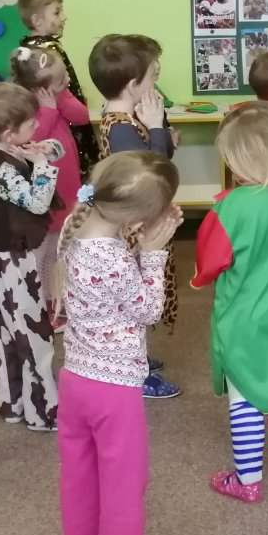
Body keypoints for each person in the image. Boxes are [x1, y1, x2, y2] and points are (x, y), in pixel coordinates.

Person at [59, 151, 185, 535]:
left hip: (75, 378)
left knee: (79, 475)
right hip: (114, 387)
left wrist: (136, 238)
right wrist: (153, 254)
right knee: (123, 485)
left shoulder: (76, 226)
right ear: (137, 217)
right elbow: (147, 310)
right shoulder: (112, 257)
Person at [192, 102, 268, 503]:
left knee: (243, 394)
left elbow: (210, 262)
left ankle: (248, 479)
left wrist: (201, 276)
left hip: (242, 313)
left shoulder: (231, 205)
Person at [89, 33, 182, 399]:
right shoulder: (122, 126)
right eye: (153, 76)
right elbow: (152, 172)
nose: (156, 83)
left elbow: (156, 158)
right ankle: (134, 369)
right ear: (133, 85)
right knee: (134, 302)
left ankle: (137, 358)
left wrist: (161, 134)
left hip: (138, 221)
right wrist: (156, 128)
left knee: (136, 299)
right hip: (134, 231)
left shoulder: (125, 118)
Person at [0, 81, 62, 431]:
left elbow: (55, 149)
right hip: (10, 262)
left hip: (0, 258)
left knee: (7, 333)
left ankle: (12, 404)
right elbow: (37, 201)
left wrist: (42, 151)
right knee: (33, 335)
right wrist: (42, 165)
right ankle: (43, 413)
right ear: (9, 133)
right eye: (31, 123)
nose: (37, 126)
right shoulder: (1, 169)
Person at [10, 46, 90, 326]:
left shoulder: (61, 94)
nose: (66, 80)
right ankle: (42, 303)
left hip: (68, 184)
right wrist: (49, 109)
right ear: (39, 88)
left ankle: (58, 300)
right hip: (46, 188)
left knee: (63, 245)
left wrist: (62, 96)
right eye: (60, 80)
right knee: (43, 252)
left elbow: (82, 116)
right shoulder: (26, 105)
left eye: (64, 74)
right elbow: (32, 139)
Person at [18, 0, 98, 178]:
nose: (64, 17)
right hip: (60, 126)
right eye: (56, 12)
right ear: (37, 21)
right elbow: (60, 94)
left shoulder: (29, 48)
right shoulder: (46, 52)